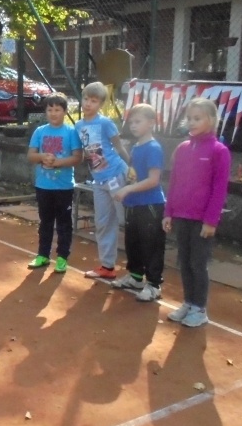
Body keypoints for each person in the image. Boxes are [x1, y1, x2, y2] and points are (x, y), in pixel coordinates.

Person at [162, 97, 231, 327]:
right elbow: (174, 181)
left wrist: (211, 220)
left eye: (197, 118)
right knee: (184, 261)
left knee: (197, 264)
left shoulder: (219, 151)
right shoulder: (182, 149)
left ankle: (200, 309)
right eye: (189, 118)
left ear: (211, 120)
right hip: (181, 216)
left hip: (202, 220)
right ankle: (189, 303)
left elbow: (219, 189)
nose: (191, 122)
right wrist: (168, 212)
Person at [75, 81, 130, 279]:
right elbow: (81, 153)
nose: (88, 103)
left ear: (101, 104)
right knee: (103, 222)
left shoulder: (106, 123)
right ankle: (107, 266)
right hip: (98, 181)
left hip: (116, 175)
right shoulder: (79, 125)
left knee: (126, 220)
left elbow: (119, 147)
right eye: (86, 99)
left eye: (94, 100)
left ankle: (137, 269)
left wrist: (132, 166)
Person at [111, 104, 166, 301]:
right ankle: (135, 277)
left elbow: (153, 180)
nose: (133, 126)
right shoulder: (136, 147)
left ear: (151, 123)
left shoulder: (153, 148)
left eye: (138, 121)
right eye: (131, 122)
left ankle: (153, 284)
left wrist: (127, 189)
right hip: (134, 204)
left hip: (150, 205)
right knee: (132, 242)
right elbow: (134, 174)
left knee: (151, 245)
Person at [26, 93, 82, 273]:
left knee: (64, 223)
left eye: (57, 109)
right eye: (50, 109)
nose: (53, 113)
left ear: (65, 111)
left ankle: (62, 257)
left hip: (64, 187)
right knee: (45, 222)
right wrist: (42, 156)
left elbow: (77, 158)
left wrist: (57, 162)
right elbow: (31, 155)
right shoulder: (40, 131)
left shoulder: (71, 132)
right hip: (43, 186)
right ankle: (43, 255)